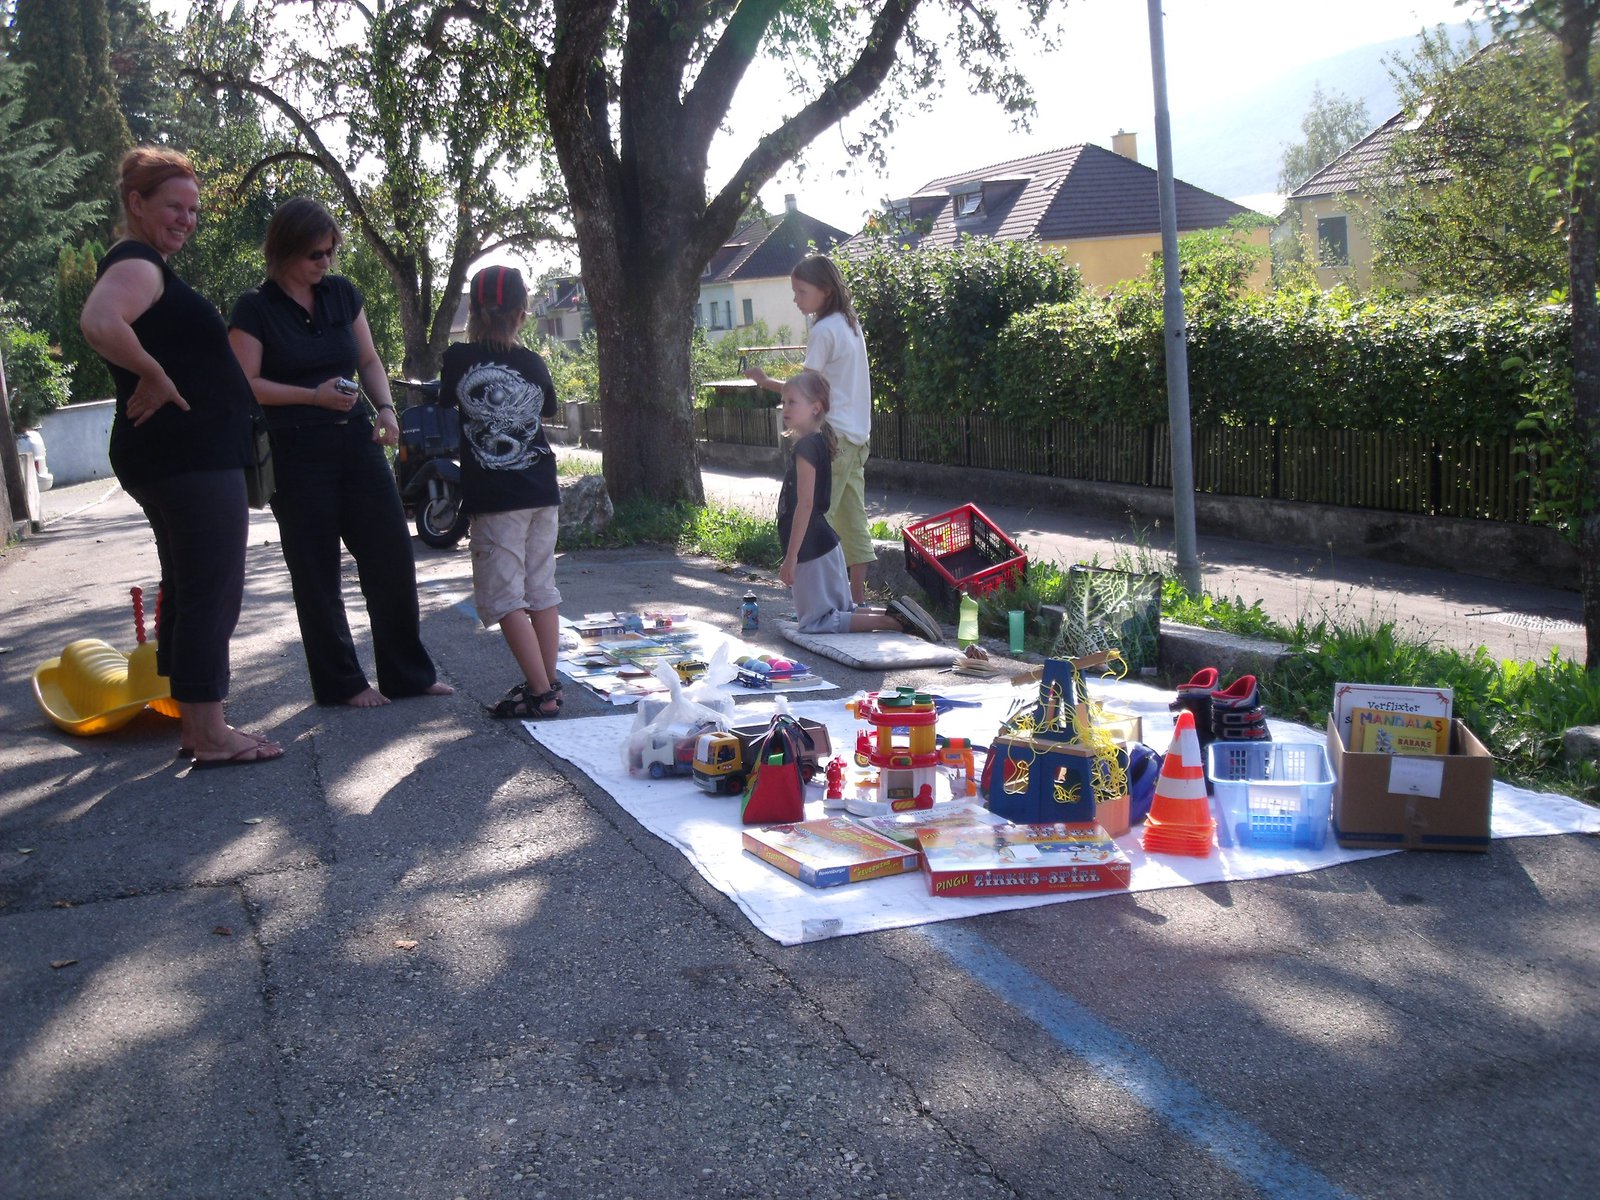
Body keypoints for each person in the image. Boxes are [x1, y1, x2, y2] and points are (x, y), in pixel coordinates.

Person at [79, 147, 283, 768]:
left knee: (191, 586)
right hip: (186, 456)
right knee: (210, 589)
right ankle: (211, 731)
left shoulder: (148, 264)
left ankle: (198, 729)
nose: (186, 219)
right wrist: (154, 372)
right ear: (136, 204)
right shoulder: (138, 263)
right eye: (173, 206)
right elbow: (98, 319)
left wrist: (158, 369)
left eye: (193, 209)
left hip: (178, 454)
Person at [228, 198, 452, 708]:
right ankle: (342, 683)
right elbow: (245, 384)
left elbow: (369, 360)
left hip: (356, 440)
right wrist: (312, 395)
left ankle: (407, 674)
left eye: (331, 251)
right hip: (294, 449)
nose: (325, 262)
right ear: (284, 251)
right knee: (316, 570)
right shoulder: (255, 309)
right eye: (315, 253)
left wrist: (388, 411)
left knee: (392, 556)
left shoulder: (343, 294)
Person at [438, 265, 564, 720]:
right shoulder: (533, 363)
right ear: (522, 314)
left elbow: (446, 401)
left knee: (506, 596)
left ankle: (541, 691)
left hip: (496, 498)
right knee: (541, 589)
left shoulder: (458, 359)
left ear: (471, 312)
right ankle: (545, 685)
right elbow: (548, 407)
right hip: (540, 490)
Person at [775, 370, 941, 643]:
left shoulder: (806, 447)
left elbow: (805, 504)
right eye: (784, 401)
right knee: (840, 612)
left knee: (816, 622)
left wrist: (791, 557)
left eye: (793, 401)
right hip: (823, 545)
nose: (785, 408)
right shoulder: (817, 441)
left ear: (815, 407)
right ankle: (899, 615)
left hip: (811, 549)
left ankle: (896, 623)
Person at [747, 254, 874, 604]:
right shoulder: (850, 323)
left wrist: (764, 382)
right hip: (858, 437)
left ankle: (823, 601)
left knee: (817, 520)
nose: (795, 299)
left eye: (801, 292)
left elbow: (805, 391)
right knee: (853, 521)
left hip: (833, 439)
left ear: (825, 291)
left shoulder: (823, 330)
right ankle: (857, 602)